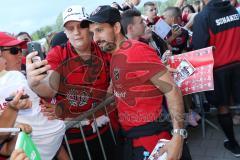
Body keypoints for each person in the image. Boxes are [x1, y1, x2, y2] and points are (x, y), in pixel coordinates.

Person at [86, 5, 191, 160]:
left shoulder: (135, 50)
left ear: (116, 27)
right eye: (92, 33)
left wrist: (178, 136)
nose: (95, 39)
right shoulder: (115, 55)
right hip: (135, 139)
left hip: (152, 139)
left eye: (100, 30)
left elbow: (171, 90)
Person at [26, 5, 118, 160]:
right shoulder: (58, 54)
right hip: (74, 139)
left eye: (81, 26)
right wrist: (34, 83)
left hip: (105, 130)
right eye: (70, 28)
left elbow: (117, 77)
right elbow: (49, 87)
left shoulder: (102, 48)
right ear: (65, 33)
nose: (76, 32)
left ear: (89, 27)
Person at [0, 32, 65, 159]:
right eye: (14, 50)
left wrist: (36, 85)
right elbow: (5, 148)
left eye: (20, 50)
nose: (20, 54)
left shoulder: (24, 71)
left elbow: (52, 80)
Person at [192, 0, 240, 157]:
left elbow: (199, 48)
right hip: (238, 64)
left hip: (218, 69)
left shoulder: (203, 16)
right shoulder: (233, 10)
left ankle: (233, 144)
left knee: (223, 107)